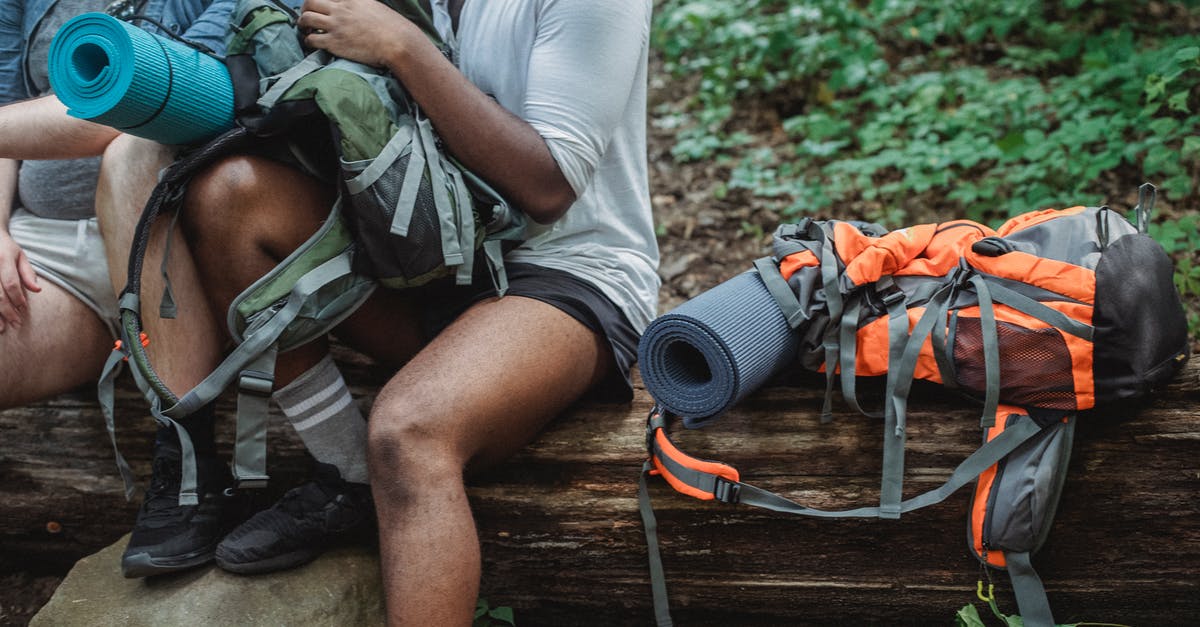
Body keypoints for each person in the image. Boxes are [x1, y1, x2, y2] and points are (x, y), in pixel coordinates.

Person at [99, 0, 658, 621]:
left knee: (407, 433)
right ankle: (346, 472)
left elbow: (549, 186)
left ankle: (384, 471)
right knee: (229, 195)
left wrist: (402, 46)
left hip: (566, 275)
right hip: (427, 254)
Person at [0, 0, 243, 577]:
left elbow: (136, 103)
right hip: (43, 253)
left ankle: (188, 459)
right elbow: (6, 109)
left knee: (135, 148)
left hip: (175, 241)